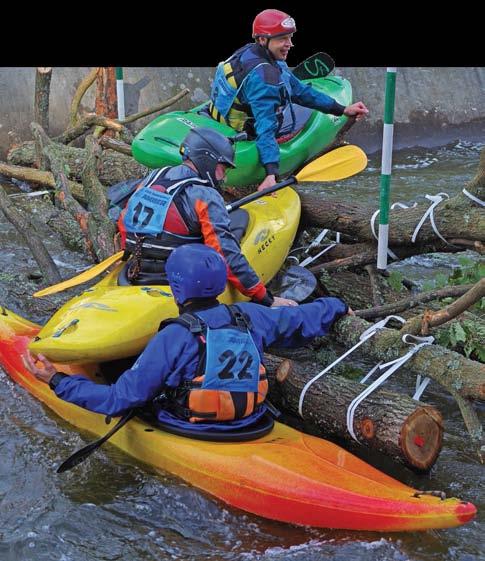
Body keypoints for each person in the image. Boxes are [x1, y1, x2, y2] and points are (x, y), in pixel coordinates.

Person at [24, 244, 353, 433]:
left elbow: (118, 401)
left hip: (192, 427)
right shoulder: (252, 316)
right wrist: (339, 306)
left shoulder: (174, 337)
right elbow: (302, 318)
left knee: (127, 378)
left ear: (177, 289)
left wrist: (55, 380)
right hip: (251, 422)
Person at [117, 125, 294, 307]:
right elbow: (225, 253)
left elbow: (125, 220)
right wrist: (264, 297)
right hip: (180, 276)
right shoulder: (204, 195)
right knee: (239, 220)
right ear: (207, 160)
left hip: (136, 269)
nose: (223, 177)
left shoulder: (154, 177)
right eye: (222, 168)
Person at [208, 8, 369, 191]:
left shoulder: (249, 52)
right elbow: (265, 128)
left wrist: (341, 109)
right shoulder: (265, 79)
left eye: (290, 37)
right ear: (263, 40)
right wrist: (270, 173)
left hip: (221, 116)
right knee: (286, 116)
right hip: (244, 131)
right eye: (282, 39)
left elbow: (299, 91)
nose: (290, 44)